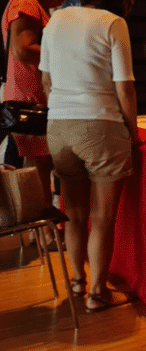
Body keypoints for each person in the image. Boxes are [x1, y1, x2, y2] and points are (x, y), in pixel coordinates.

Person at [39, 0, 137, 313]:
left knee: (75, 213)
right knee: (102, 217)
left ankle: (79, 282)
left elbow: (45, 81)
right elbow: (125, 89)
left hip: (59, 127)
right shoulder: (113, 22)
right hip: (100, 124)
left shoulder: (54, 21)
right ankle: (98, 293)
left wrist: (63, 109)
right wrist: (132, 133)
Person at [1, 0, 64, 210]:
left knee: (39, 168)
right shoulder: (26, 3)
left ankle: (44, 234)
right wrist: (67, 56)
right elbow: (22, 49)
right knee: (39, 170)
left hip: (30, 97)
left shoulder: (32, 6)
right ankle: (45, 234)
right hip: (30, 100)